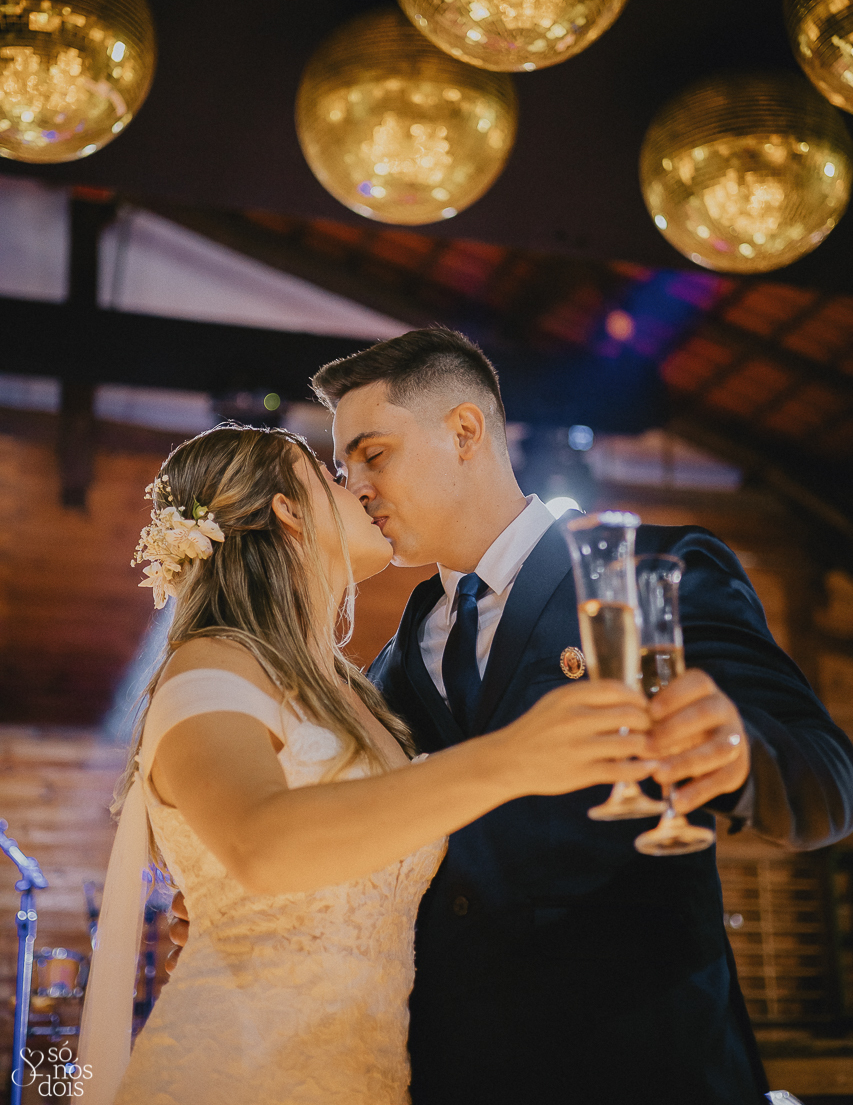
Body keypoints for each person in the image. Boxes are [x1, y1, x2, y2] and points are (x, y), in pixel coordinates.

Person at [303, 326, 853, 1105]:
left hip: (647, 1062)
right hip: (456, 1071)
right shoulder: (387, 668)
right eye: (342, 468)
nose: (355, 485)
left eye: (373, 454)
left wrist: (738, 753)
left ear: (464, 431)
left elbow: (828, 782)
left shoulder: (658, 570)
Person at [78, 424, 660, 1105]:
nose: (356, 486)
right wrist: (510, 758)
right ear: (287, 510)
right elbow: (261, 845)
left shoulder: (362, 698)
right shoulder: (209, 664)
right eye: (330, 476)